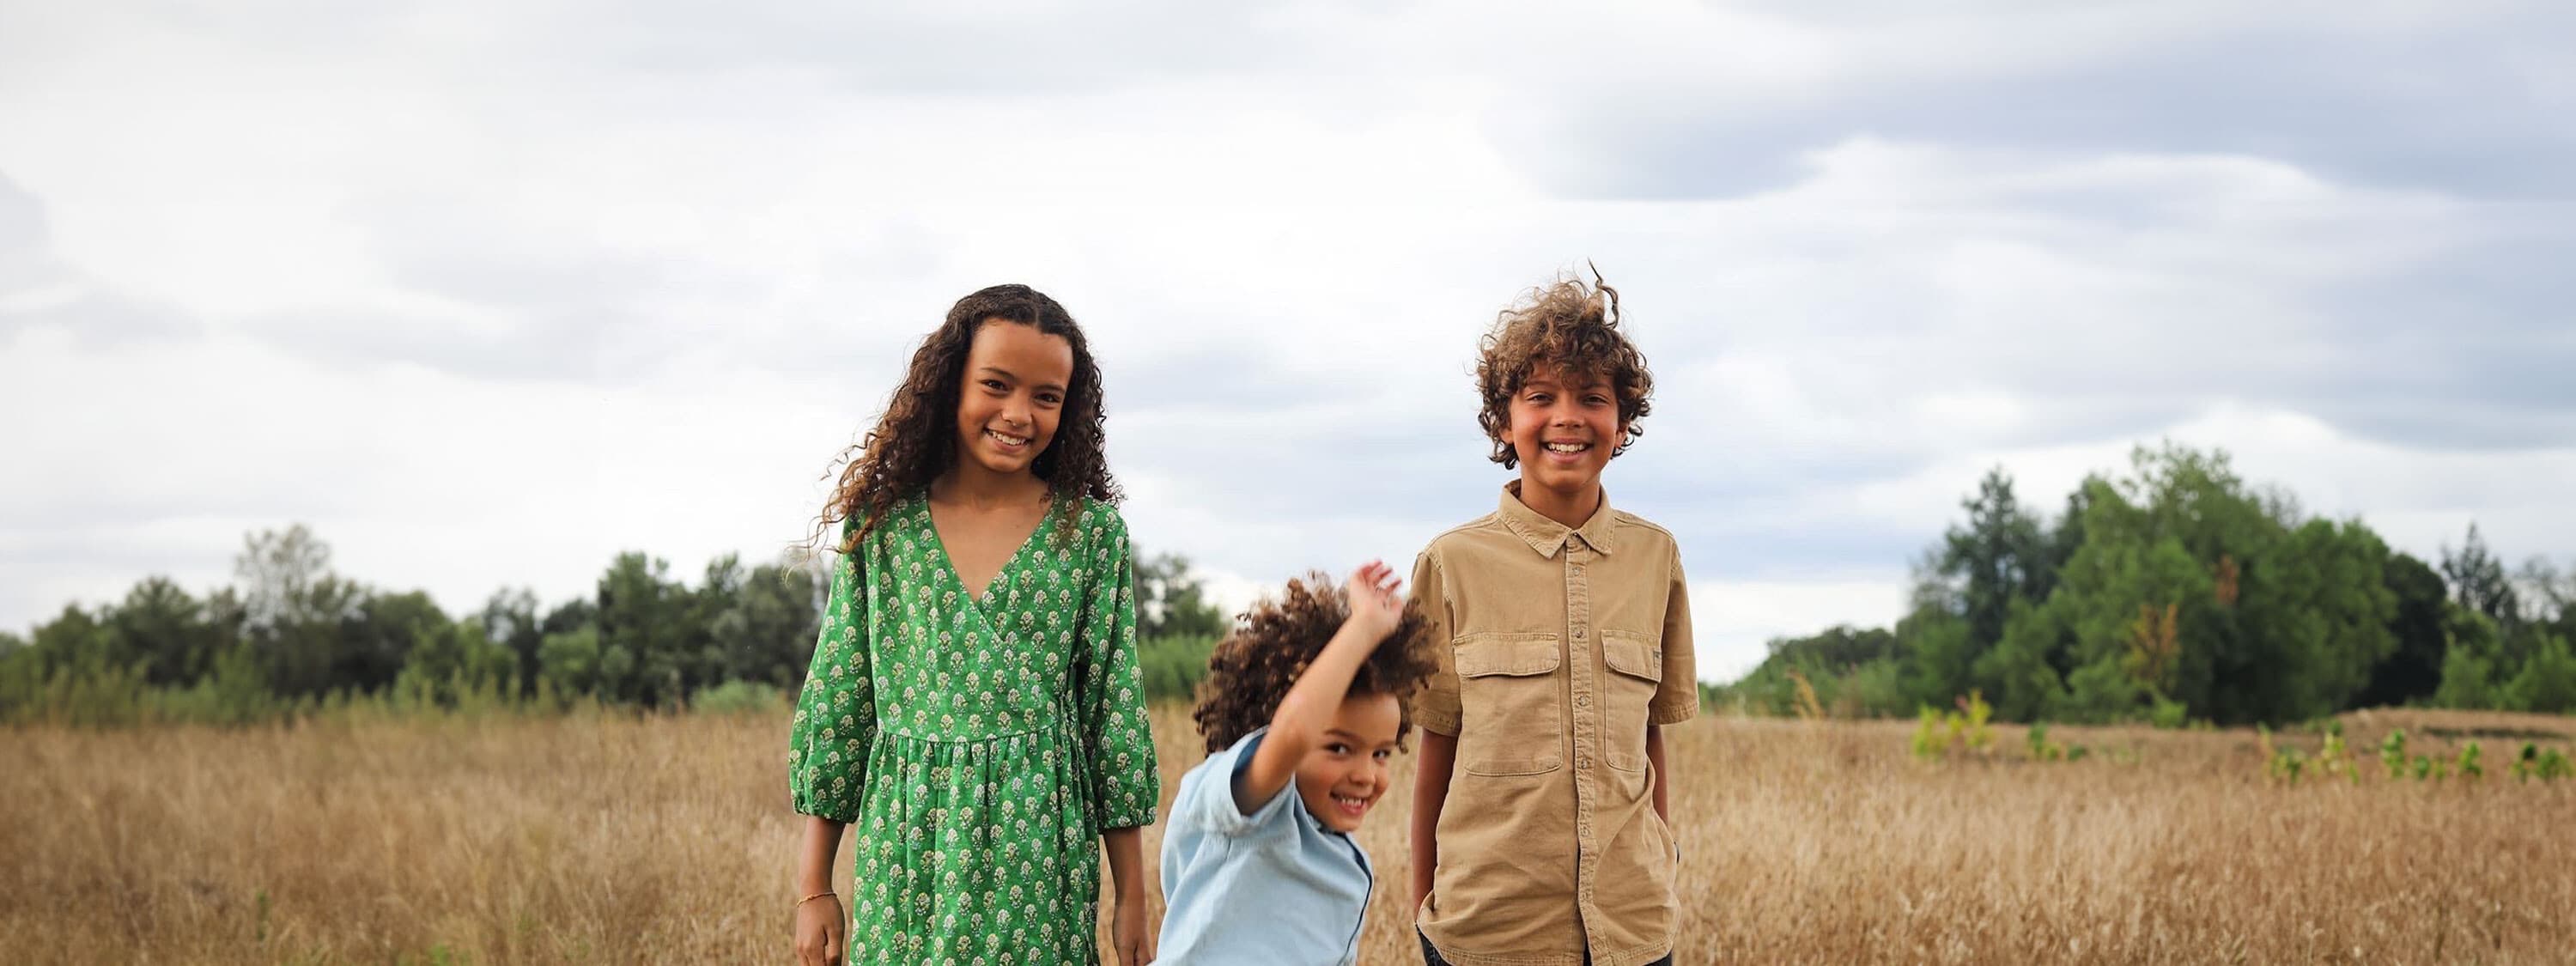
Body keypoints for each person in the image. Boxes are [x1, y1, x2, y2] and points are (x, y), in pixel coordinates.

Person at [787, 284, 1159, 966]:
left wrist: (1132, 894)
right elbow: (841, 704)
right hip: (908, 858)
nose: (1019, 413)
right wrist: (815, 887)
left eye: (1047, 396)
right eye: (997, 385)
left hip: (1041, 863)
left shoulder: (1091, 535)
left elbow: (1114, 718)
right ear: (950, 384)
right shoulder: (884, 525)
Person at [1408, 270, 1700, 966]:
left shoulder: (1656, 557)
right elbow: (1435, 756)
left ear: (1621, 423)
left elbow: (1651, 740)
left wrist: (1660, 869)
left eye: (1592, 398)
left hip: (1633, 933)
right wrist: (1424, 907)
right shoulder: (1450, 564)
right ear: (1505, 421)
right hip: (1486, 934)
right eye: (1541, 397)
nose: (1567, 416)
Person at [1156, 563, 1437, 964]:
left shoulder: (1343, 862)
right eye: (1339, 748)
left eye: (1380, 754)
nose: (1365, 775)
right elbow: (1295, 733)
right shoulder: (1248, 811)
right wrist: (1363, 630)